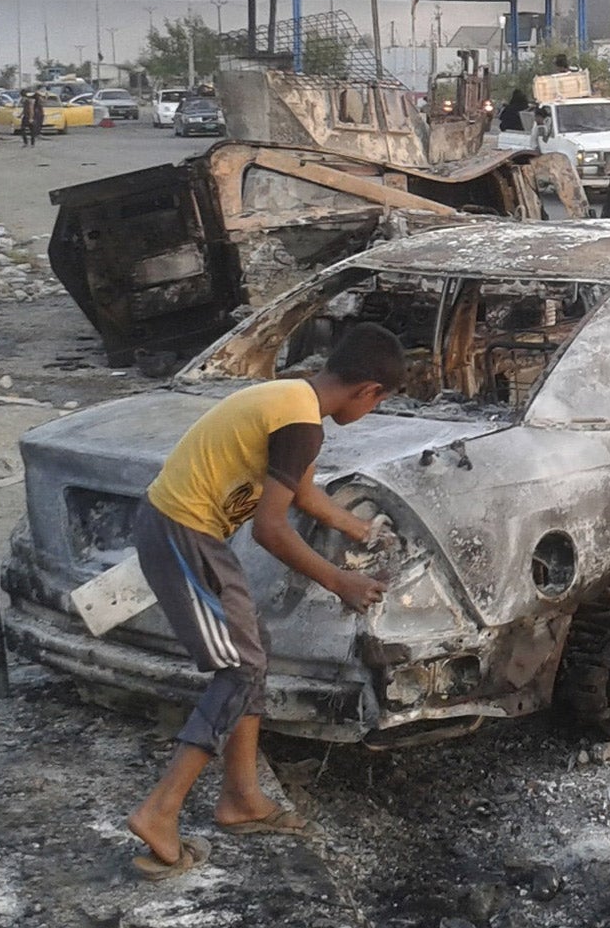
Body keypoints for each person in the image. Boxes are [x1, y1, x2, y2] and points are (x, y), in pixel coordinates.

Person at [124, 323, 404, 879]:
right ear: (370, 390)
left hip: (194, 534)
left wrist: (361, 529)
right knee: (238, 668)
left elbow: (304, 495)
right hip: (183, 533)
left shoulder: (294, 400)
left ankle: (242, 797)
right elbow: (270, 530)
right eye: (380, 403)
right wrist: (338, 580)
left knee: (254, 649)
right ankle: (160, 811)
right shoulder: (301, 425)